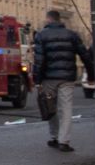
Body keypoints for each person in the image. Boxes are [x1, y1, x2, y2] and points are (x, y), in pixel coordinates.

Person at [32, 8, 91, 153]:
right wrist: (91, 74)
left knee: (50, 106)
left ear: (48, 19)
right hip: (67, 77)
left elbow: (39, 60)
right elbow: (85, 55)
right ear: (60, 20)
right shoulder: (72, 35)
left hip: (48, 78)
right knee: (66, 109)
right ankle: (64, 141)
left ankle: (54, 136)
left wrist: (37, 79)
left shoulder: (41, 35)